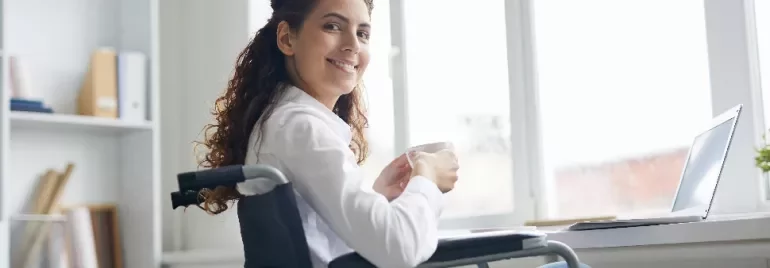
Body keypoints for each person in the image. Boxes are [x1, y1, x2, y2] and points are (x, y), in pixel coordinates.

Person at [195, 0, 588, 267]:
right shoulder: (302, 126)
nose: (352, 45)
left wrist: (378, 197)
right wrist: (427, 181)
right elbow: (398, 248)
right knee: (559, 259)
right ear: (287, 38)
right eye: (333, 26)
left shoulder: (280, 122)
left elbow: (314, 238)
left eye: (363, 33)